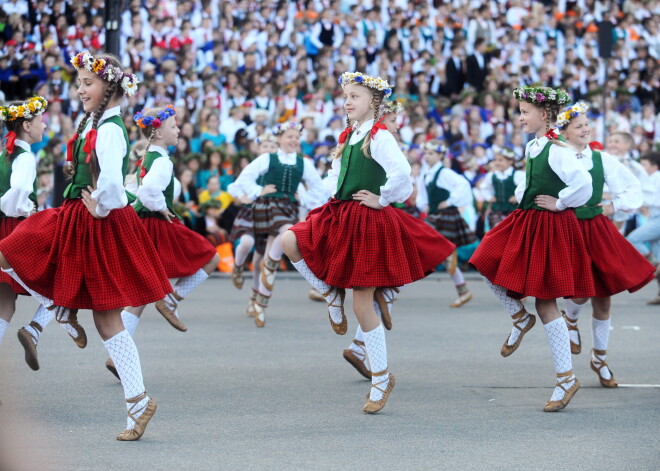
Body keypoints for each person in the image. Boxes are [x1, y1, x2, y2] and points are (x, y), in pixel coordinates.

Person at [0, 51, 170, 440]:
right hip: (82, 215)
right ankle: (60, 308)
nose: (80, 89)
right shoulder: (98, 122)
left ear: (109, 86)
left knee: (107, 318)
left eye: (87, 83)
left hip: (96, 218)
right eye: (78, 83)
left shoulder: (109, 128)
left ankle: (138, 402)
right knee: (14, 251)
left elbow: (111, 180)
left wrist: (102, 206)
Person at [282, 72, 455, 413]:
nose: (347, 101)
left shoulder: (379, 135)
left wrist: (383, 198)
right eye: (346, 95)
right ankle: (330, 292)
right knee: (290, 241)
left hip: (365, 219)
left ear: (373, 102)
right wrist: (323, 204)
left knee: (362, 303)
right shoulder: (349, 133)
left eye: (355, 96)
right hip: (341, 212)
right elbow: (336, 177)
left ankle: (381, 377)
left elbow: (402, 175)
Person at [470, 85, 594, 412]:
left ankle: (566, 377)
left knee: (545, 301)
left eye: (525, 112)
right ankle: (518, 317)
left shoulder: (557, 148)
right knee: (485, 259)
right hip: (529, 220)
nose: (521, 117)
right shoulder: (536, 146)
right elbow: (530, 182)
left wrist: (560, 202)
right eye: (520, 111)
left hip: (549, 225)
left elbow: (584, 184)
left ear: (544, 114)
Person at [104, 105, 220, 378]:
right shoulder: (163, 161)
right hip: (157, 226)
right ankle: (171, 299)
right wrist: (161, 206)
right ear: (156, 131)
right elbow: (147, 192)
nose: (178, 130)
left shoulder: (149, 156)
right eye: (173, 127)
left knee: (140, 295)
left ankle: (116, 357)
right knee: (210, 256)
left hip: (143, 225)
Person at [554, 102, 654, 389]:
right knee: (582, 289)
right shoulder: (557, 156)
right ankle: (570, 318)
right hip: (568, 228)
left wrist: (615, 205)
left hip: (597, 228)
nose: (585, 129)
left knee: (604, 295)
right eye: (578, 126)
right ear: (564, 132)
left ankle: (599, 358)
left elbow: (633, 188)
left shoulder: (601, 158)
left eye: (587, 124)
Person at [0, 96, 84, 361]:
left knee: (4, 303)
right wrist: (25, 209)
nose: (44, 126)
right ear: (26, 125)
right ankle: (39, 324)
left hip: (4, 226)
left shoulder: (6, 153)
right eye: (40, 121)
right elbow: (21, 191)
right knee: (62, 272)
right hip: (16, 227)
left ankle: (36, 328)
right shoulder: (24, 157)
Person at [230, 121, 326, 328]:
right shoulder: (268, 158)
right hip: (268, 207)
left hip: (289, 208)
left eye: (296, 137)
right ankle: (264, 276)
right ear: (280, 139)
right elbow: (244, 178)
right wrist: (258, 191)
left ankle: (261, 301)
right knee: (282, 236)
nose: (293, 140)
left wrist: (305, 198)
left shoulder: (303, 163)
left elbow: (319, 189)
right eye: (289, 136)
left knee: (271, 250)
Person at [417, 140, 475, 308]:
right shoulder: (425, 174)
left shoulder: (444, 173)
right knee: (442, 253)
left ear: (441, 155)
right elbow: (422, 196)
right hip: (435, 215)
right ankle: (463, 290)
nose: (427, 157)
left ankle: (392, 287)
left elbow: (462, 184)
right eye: (426, 154)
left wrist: (450, 200)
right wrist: (424, 205)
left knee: (424, 243)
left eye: (431, 154)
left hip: (445, 216)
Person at [227, 133, 276, 317]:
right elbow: (234, 187)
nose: (268, 150)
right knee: (246, 243)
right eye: (265, 146)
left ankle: (254, 297)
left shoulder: (278, 169)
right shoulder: (252, 168)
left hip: (269, 215)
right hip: (250, 213)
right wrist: (242, 196)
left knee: (259, 262)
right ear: (257, 149)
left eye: (272, 147)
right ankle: (238, 266)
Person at [626, 152, 660, 304]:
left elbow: (653, 200)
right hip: (654, 217)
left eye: (644, 165)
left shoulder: (656, 176)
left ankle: (652, 265)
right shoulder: (652, 178)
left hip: (658, 218)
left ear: (654, 166)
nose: (642, 168)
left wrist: (639, 202)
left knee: (633, 239)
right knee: (657, 254)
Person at [477, 146, 525, 230]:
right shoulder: (492, 175)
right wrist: (489, 197)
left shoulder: (517, 175)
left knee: (512, 231)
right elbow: (484, 188)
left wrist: (518, 197)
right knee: (497, 228)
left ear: (510, 162)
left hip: (513, 210)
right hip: (497, 209)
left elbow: (527, 187)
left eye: (500, 160)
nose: (497, 163)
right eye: (495, 160)